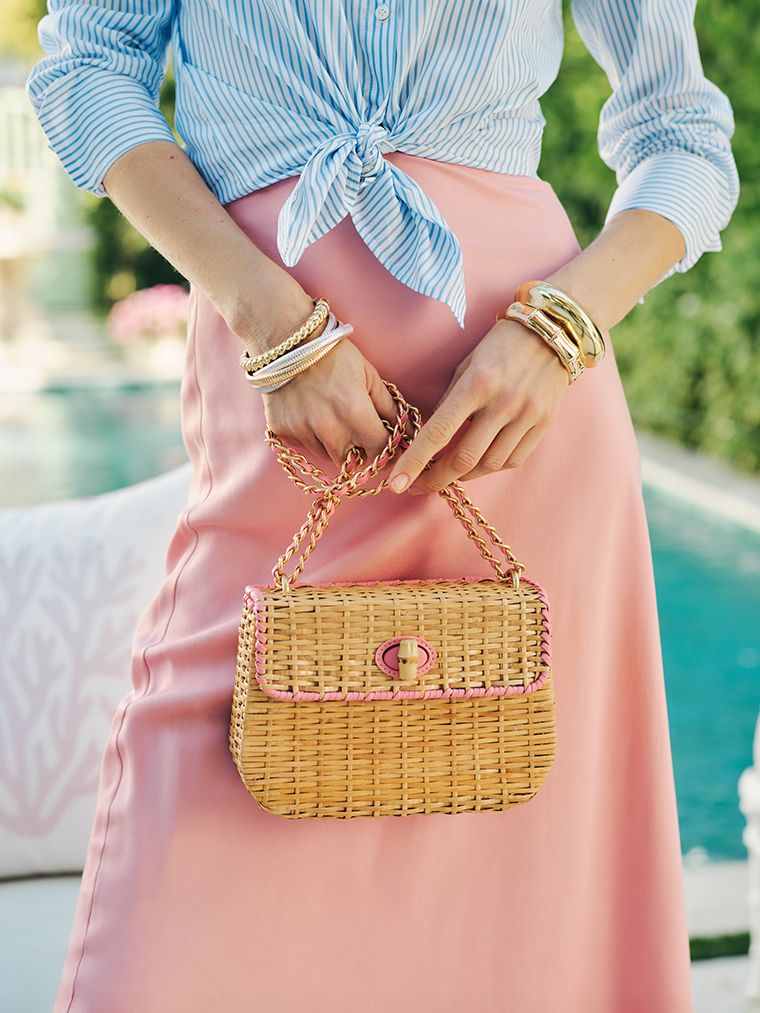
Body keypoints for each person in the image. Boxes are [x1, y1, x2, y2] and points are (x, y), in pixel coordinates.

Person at [26, 2, 739, 1010]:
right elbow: (88, 71)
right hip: (275, 409)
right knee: (170, 892)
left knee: (524, 891)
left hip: (522, 415)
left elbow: (683, 141)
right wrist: (262, 313)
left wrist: (564, 325)